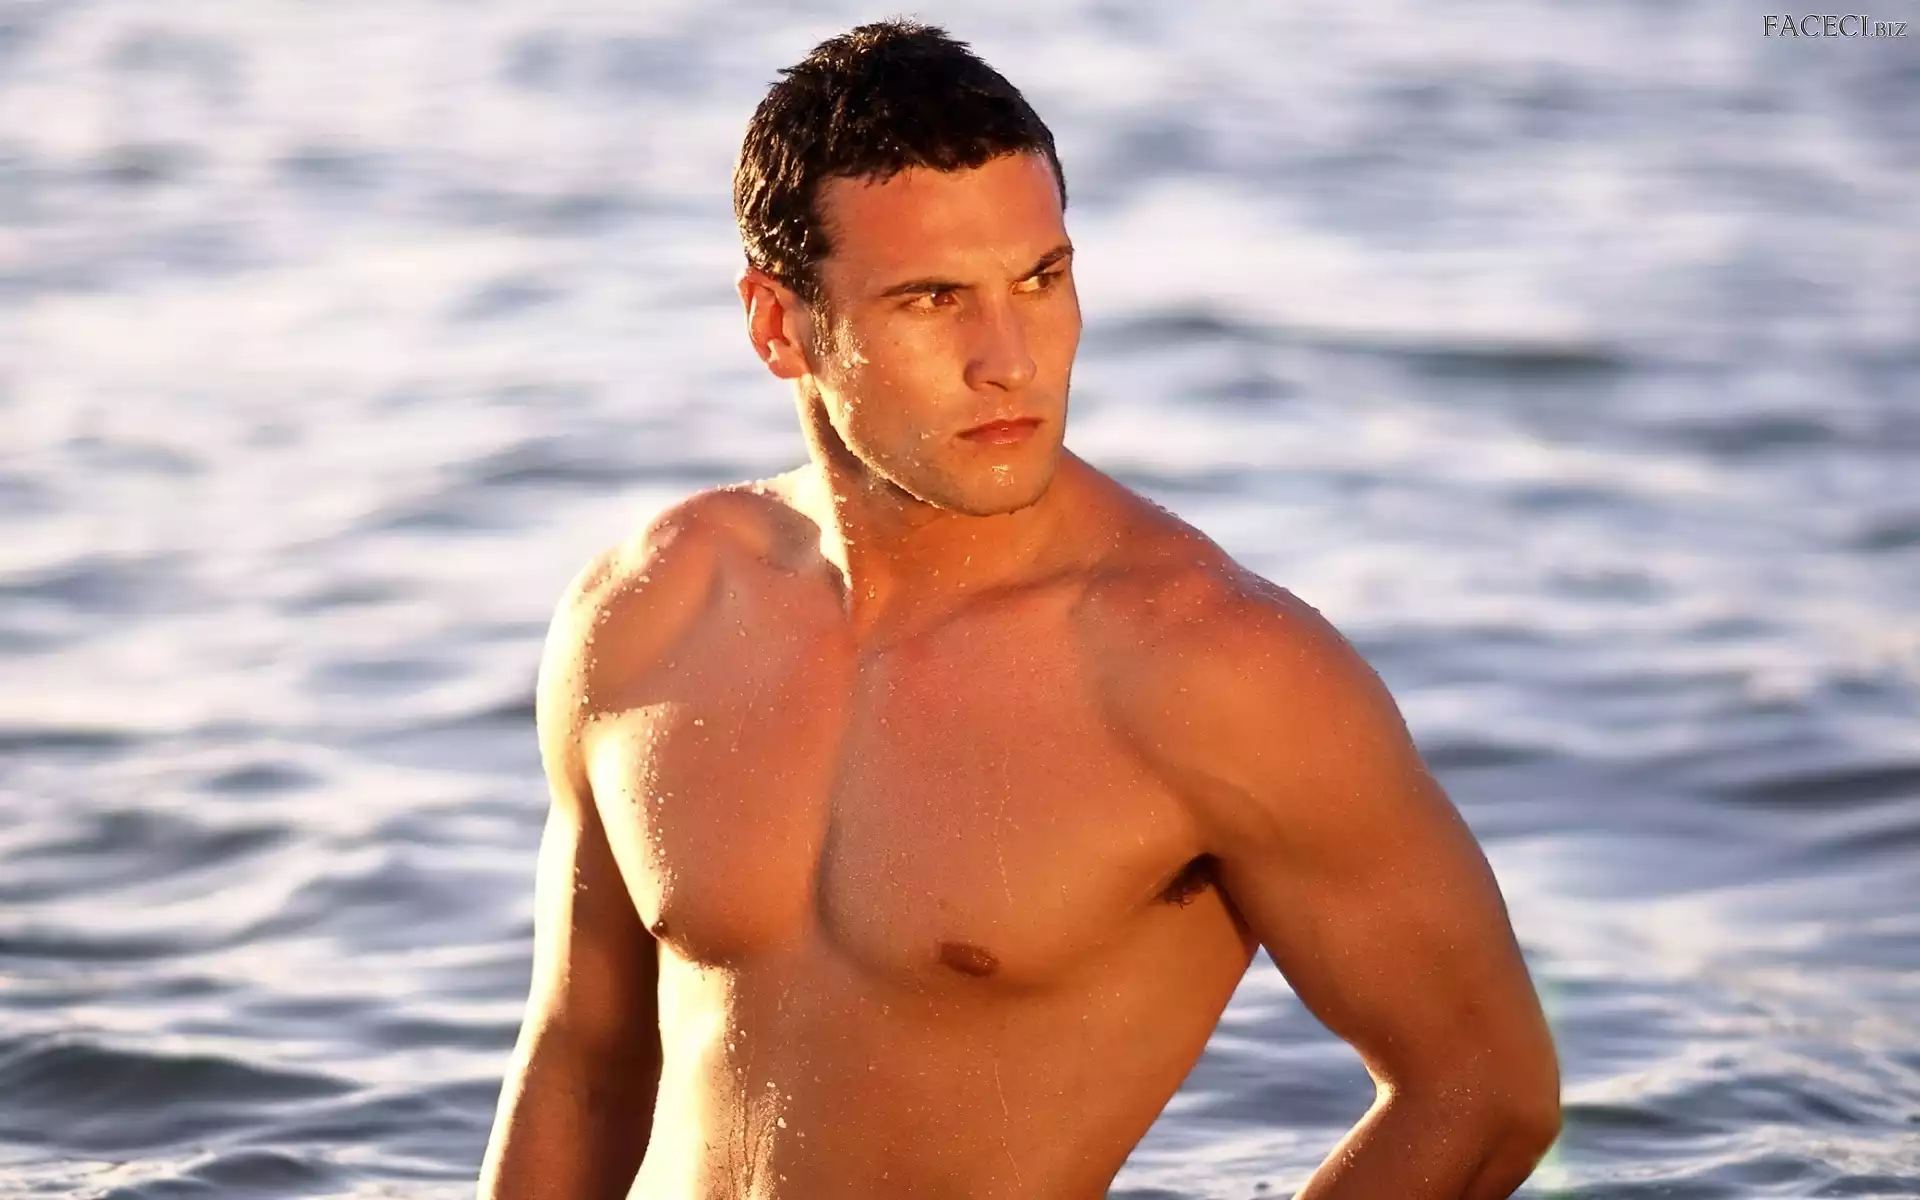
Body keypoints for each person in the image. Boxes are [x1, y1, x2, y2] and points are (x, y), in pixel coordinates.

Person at [478, 20, 1560, 1200]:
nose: (1010, 358)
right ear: (779, 326)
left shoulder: (1213, 668)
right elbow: (581, 1067)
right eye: (933, 298)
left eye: (1041, 280)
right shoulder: (649, 610)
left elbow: (1485, 1094)